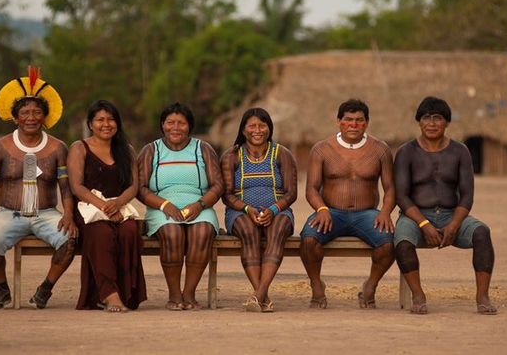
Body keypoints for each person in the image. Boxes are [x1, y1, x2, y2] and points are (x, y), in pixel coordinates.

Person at [0, 67, 77, 310]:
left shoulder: (58, 148)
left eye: (37, 112)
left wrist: (68, 214)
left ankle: (44, 289)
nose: (31, 117)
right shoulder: (0, 148)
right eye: (25, 112)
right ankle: (1, 289)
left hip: (47, 213)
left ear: (45, 117)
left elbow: (66, 187)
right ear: (16, 118)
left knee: (69, 241)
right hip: (9, 213)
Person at [393, 96, 497, 315]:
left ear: (447, 122)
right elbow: (401, 196)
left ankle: (482, 296)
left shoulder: (460, 152)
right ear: (419, 122)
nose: (431, 123)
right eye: (426, 118)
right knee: (401, 240)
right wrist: (423, 223)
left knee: (482, 233)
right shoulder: (406, 152)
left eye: (437, 118)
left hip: (452, 214)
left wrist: (454, 225)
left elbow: (467, 195)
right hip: (415, 216)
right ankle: (418, 295)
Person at [299, 98, 396, 309]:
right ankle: (317, 286)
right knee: (308, 240)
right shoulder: (322, 149)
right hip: (331, 213)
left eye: (359, 120)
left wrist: (385, 212)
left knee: (389, 243)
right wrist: (321, 209)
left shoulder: (381, 150)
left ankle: (370, 286)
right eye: (348, 120)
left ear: (367, 123)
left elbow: (390, 188)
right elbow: (311, 189)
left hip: (367, 214)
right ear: (338, 122)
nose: (353, 125)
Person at [137, 102, 223, 311]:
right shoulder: (151, 150)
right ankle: (174, 294)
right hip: (161, 208)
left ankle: (189, 293)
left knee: (202, 232)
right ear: (162, 125)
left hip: (199, 206)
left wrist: (200, 204)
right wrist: (165, 205)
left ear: (189, 126)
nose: (176, 127)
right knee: (172, 233)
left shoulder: (202, 149)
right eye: (170, 123)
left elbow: (218, 184)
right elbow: (139, 187)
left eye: (181, 123)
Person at [67, 100, 147, 313]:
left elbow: (133, 185)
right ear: (90, 124)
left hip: (119, 207)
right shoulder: (79, 148)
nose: (106, 124)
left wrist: (118, 203)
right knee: (101, 233)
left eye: (111, 119)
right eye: (100, 120)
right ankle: (108, 295)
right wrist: (104, 207)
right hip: (89, 209)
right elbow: (76, 187)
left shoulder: (126, 150)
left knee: (129, 231)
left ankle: (126, 293)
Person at [221, 107, 298, 313]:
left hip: (277, 210)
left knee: (279, 229)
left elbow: (291, 193)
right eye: (252, 126)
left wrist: (273, 210)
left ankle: (259, 294)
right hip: (240, 212)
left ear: (269, 128)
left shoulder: (282, 153)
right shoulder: (231, 156)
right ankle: (262, 294)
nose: (257, 130)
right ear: (244, 130)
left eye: (262, 125)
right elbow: (226, 195)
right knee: (248, 230)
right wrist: (247, 209)